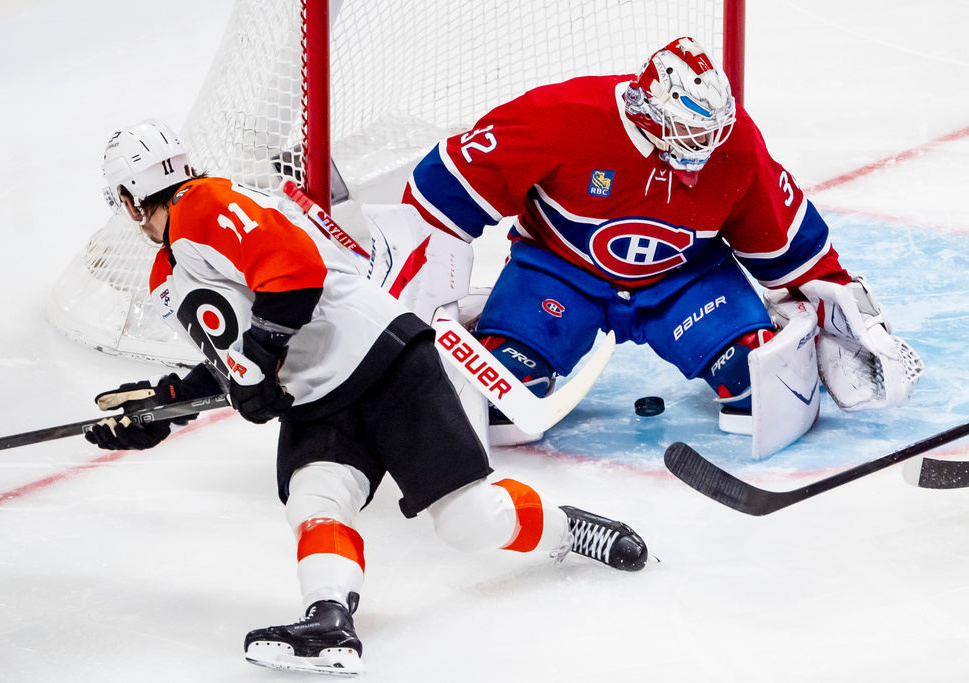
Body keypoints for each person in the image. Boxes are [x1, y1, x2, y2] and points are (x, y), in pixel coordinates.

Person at [84, 119, 648, 676]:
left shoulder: (202, 207)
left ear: (132, 199)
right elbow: (235, 356)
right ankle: (329, 619)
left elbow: (295, 274)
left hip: (383, 359)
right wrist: (163, 406)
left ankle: (570, 528)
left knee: (469, 521)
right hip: (319, 393)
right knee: (316, 498)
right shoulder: (174, 268)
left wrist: (260, 355)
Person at [397, 36, 924, 457]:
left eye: (711, 131)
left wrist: (843, 306)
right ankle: (503, 333)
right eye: (690, 133)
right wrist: (421, 297)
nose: (705, 147)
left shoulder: (732, 144)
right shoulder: (566, 115)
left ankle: (751, 340)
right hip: (561, 272)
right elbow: (444, 186)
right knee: (499, 399)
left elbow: (787, 239)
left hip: (683, 281)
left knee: (756, 389)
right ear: (648, 113)